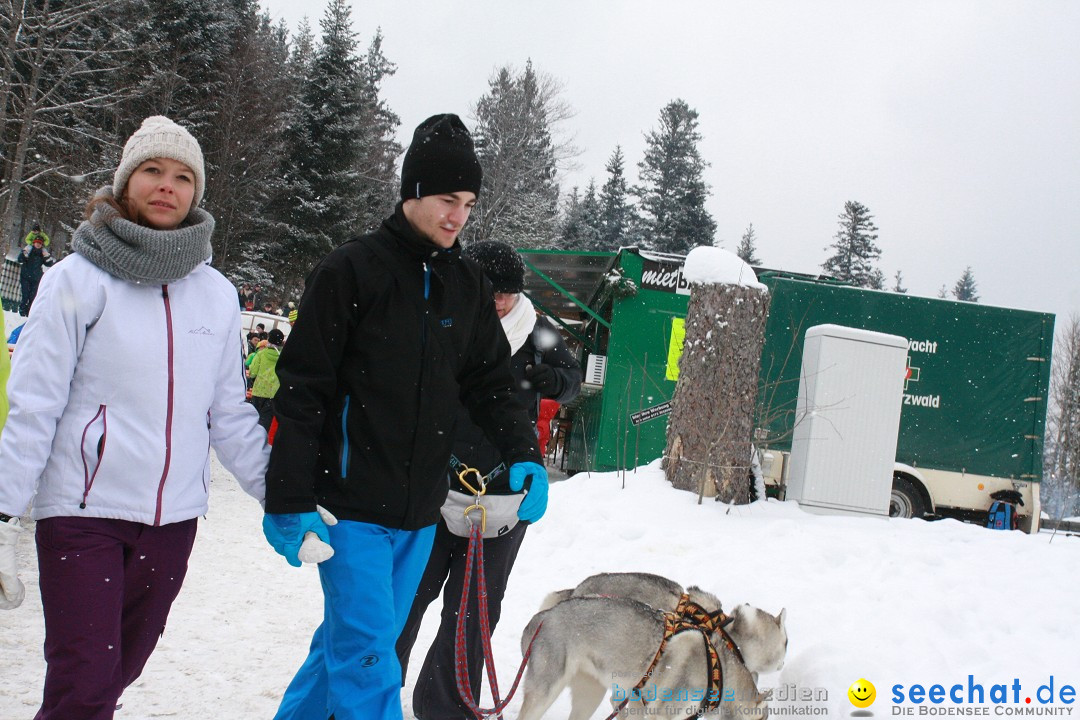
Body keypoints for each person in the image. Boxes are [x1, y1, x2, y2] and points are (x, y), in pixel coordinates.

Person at [262, 114, 546, 720]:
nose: (458, 216)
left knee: (349, 646)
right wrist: (287, 494)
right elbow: (303, 389)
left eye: (468, 203)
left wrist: (525, 455)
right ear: (413, 191)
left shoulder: (467, 284)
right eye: (447, 199)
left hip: (421, 511)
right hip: (349, 508)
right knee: (371, 659)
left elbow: (492, 385)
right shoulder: (351, 271)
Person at [0, 115, 270, 720]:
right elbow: (35, 405)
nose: (166, 186)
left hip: (172, 521)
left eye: (182, 176)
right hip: (83, 513)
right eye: (152, 170)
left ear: (197, 192)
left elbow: (228, 414)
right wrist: (2, 510)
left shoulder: (217, 296)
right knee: (85, 683)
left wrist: (284, 495)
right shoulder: (76, 280)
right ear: (126, 181)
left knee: (114, 677)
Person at [396, 240, 582, 720]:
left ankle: (445, 708)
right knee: (405, 598)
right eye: (490, 290)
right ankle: (372, 692)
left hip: (504, 490)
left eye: (507, 292)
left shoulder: (537, 331)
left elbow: (572, 378)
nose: (499, 301)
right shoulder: (441, 319)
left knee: (473, 614)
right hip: (434, 484)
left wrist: (550, 380)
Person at [248, 327, 284, 429]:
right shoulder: (282, 357)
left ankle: (249, 441)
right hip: (273, 394)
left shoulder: (261, 354)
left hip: (258, 391)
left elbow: (253, 373)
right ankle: (262, 440)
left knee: (253, 420)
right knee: (265, 421)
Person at [17, 232, 55, 315]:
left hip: (36, 278)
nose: (38, 245)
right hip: (25, 277)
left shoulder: (42, 253)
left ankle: (30, 312)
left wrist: (47, 256)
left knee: (33, 297)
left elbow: (49, 264)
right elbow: (20, 259)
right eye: (37, 243)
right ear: (34, 243)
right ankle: (22, 311)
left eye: (40, 243)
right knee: (25, 295)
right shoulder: (28, 251)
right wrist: (23, 253)